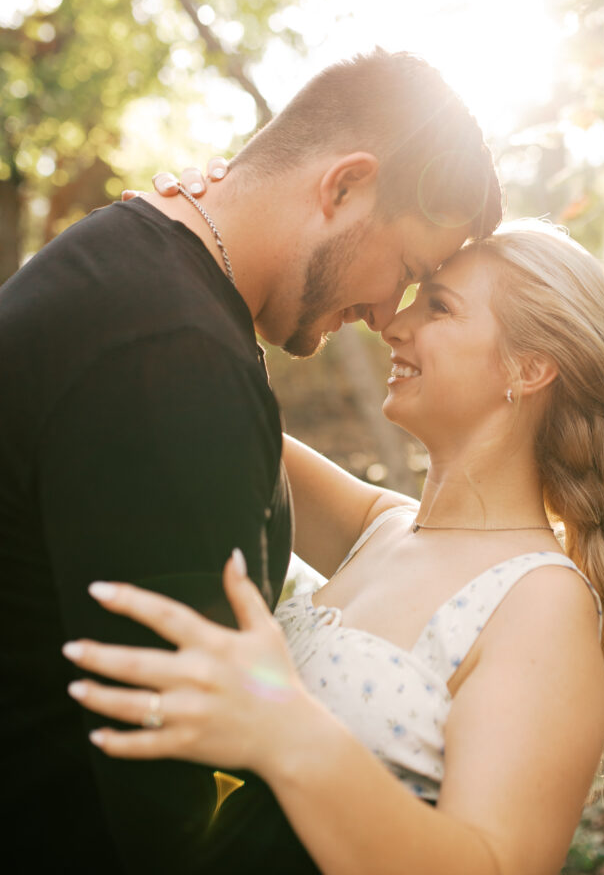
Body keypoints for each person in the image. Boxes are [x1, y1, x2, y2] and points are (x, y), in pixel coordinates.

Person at [0, 49, 501, 872]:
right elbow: (161, 791)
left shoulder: (131, 258)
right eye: (406, 272)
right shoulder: (172, 356)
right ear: (345, 185)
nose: (386, 315)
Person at [63, 219, 604, 875]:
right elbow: (200, 403)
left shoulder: (541, 601)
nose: (393, 325)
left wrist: (284, 729)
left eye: (439, 307)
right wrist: (180, 222)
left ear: (530, 367)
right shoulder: (381, 526)